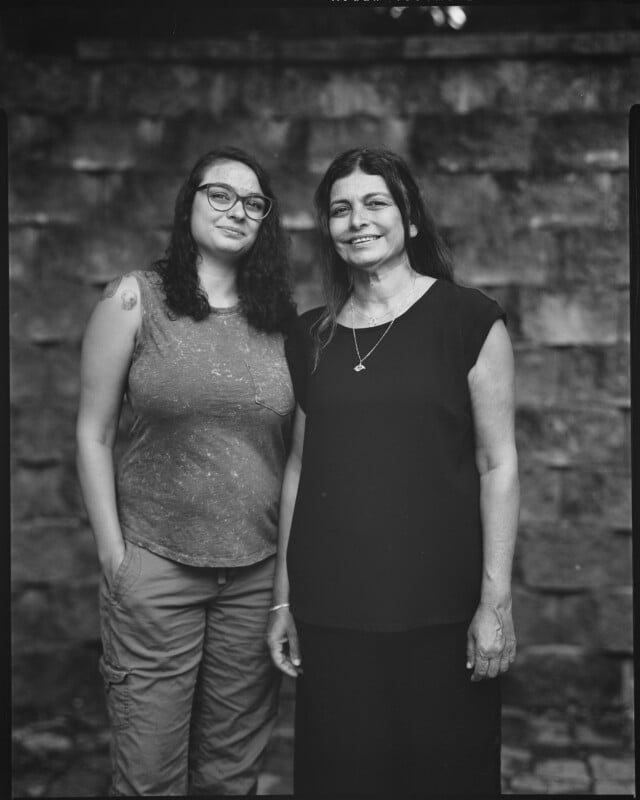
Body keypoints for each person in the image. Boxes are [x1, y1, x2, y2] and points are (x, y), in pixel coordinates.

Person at [267, 146, 519, 795]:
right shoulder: (309, 335)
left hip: (439, 613)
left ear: (409, 220)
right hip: (333, 615)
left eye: (375, 203)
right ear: (327, 228)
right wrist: (284, 597)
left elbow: (499, 465)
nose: (358, 220)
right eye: (341, 209)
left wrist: (495, 601)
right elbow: (298, 466)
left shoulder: (469, 320)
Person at [76, 146, 296, 796]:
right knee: (149, 781)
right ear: (190, 202)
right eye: (219, 194)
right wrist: (116, 558)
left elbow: (294, 454)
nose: (237, 210)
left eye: (253, 202)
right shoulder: (133, 301)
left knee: (231, 779)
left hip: (254, 580)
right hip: (156, 569)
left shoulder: (281, 321)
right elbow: (92, 433)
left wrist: (283, 585)